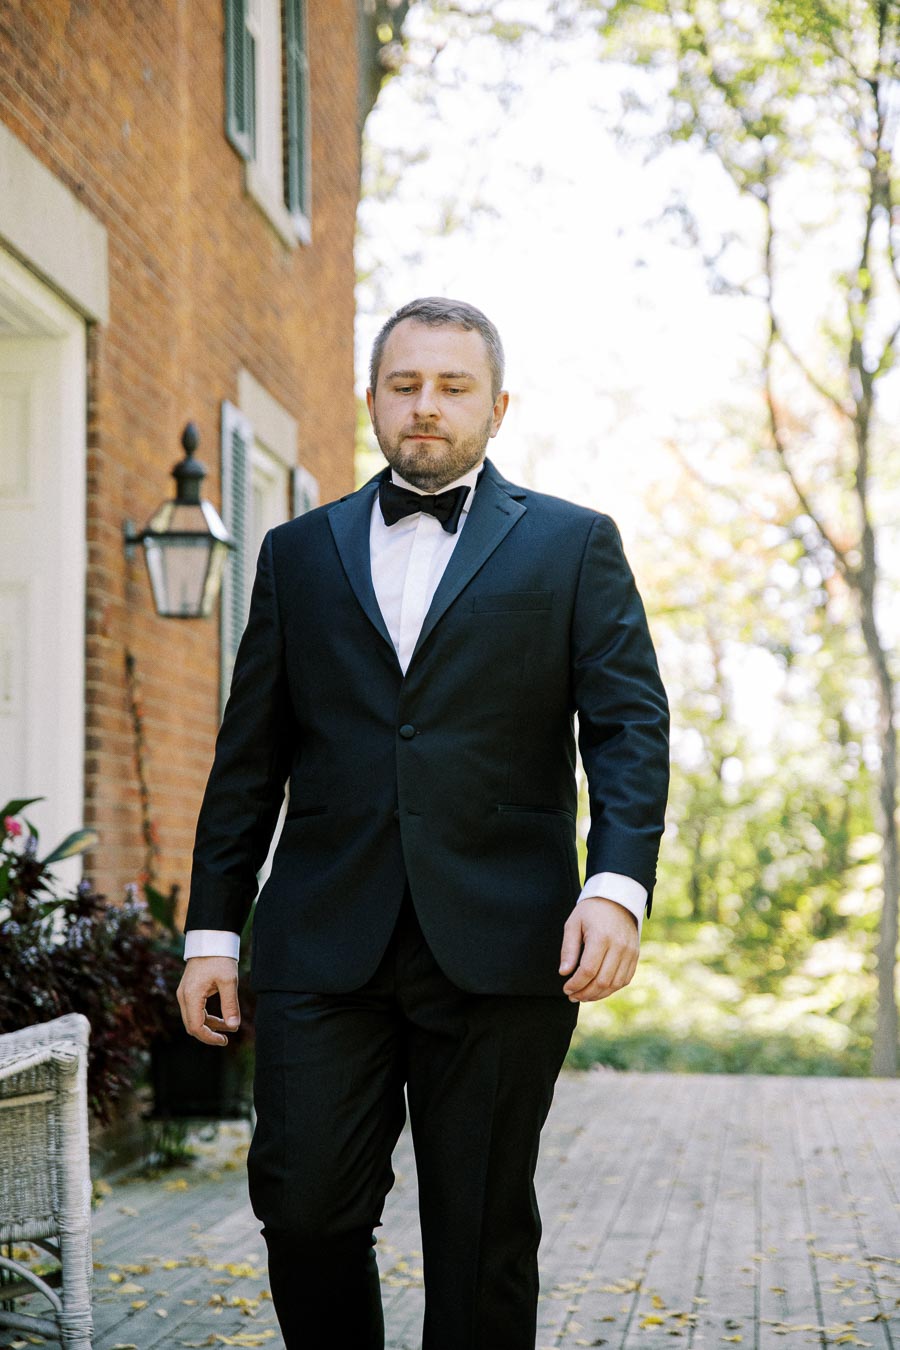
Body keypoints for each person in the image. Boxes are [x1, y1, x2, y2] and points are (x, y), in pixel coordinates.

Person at [177, 297, 669, 1350]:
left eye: (452, 387)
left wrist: (617, 888)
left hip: (504, 941)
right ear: (372, 400)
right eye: (405, 385)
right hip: (322, 941)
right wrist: (212, 933)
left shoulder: (576, 546)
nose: (427, 407)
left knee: (480, 1235)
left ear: (497, 406)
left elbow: (628, 729)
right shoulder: (297, 554)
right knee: (303, 1211)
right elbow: (248, 759)